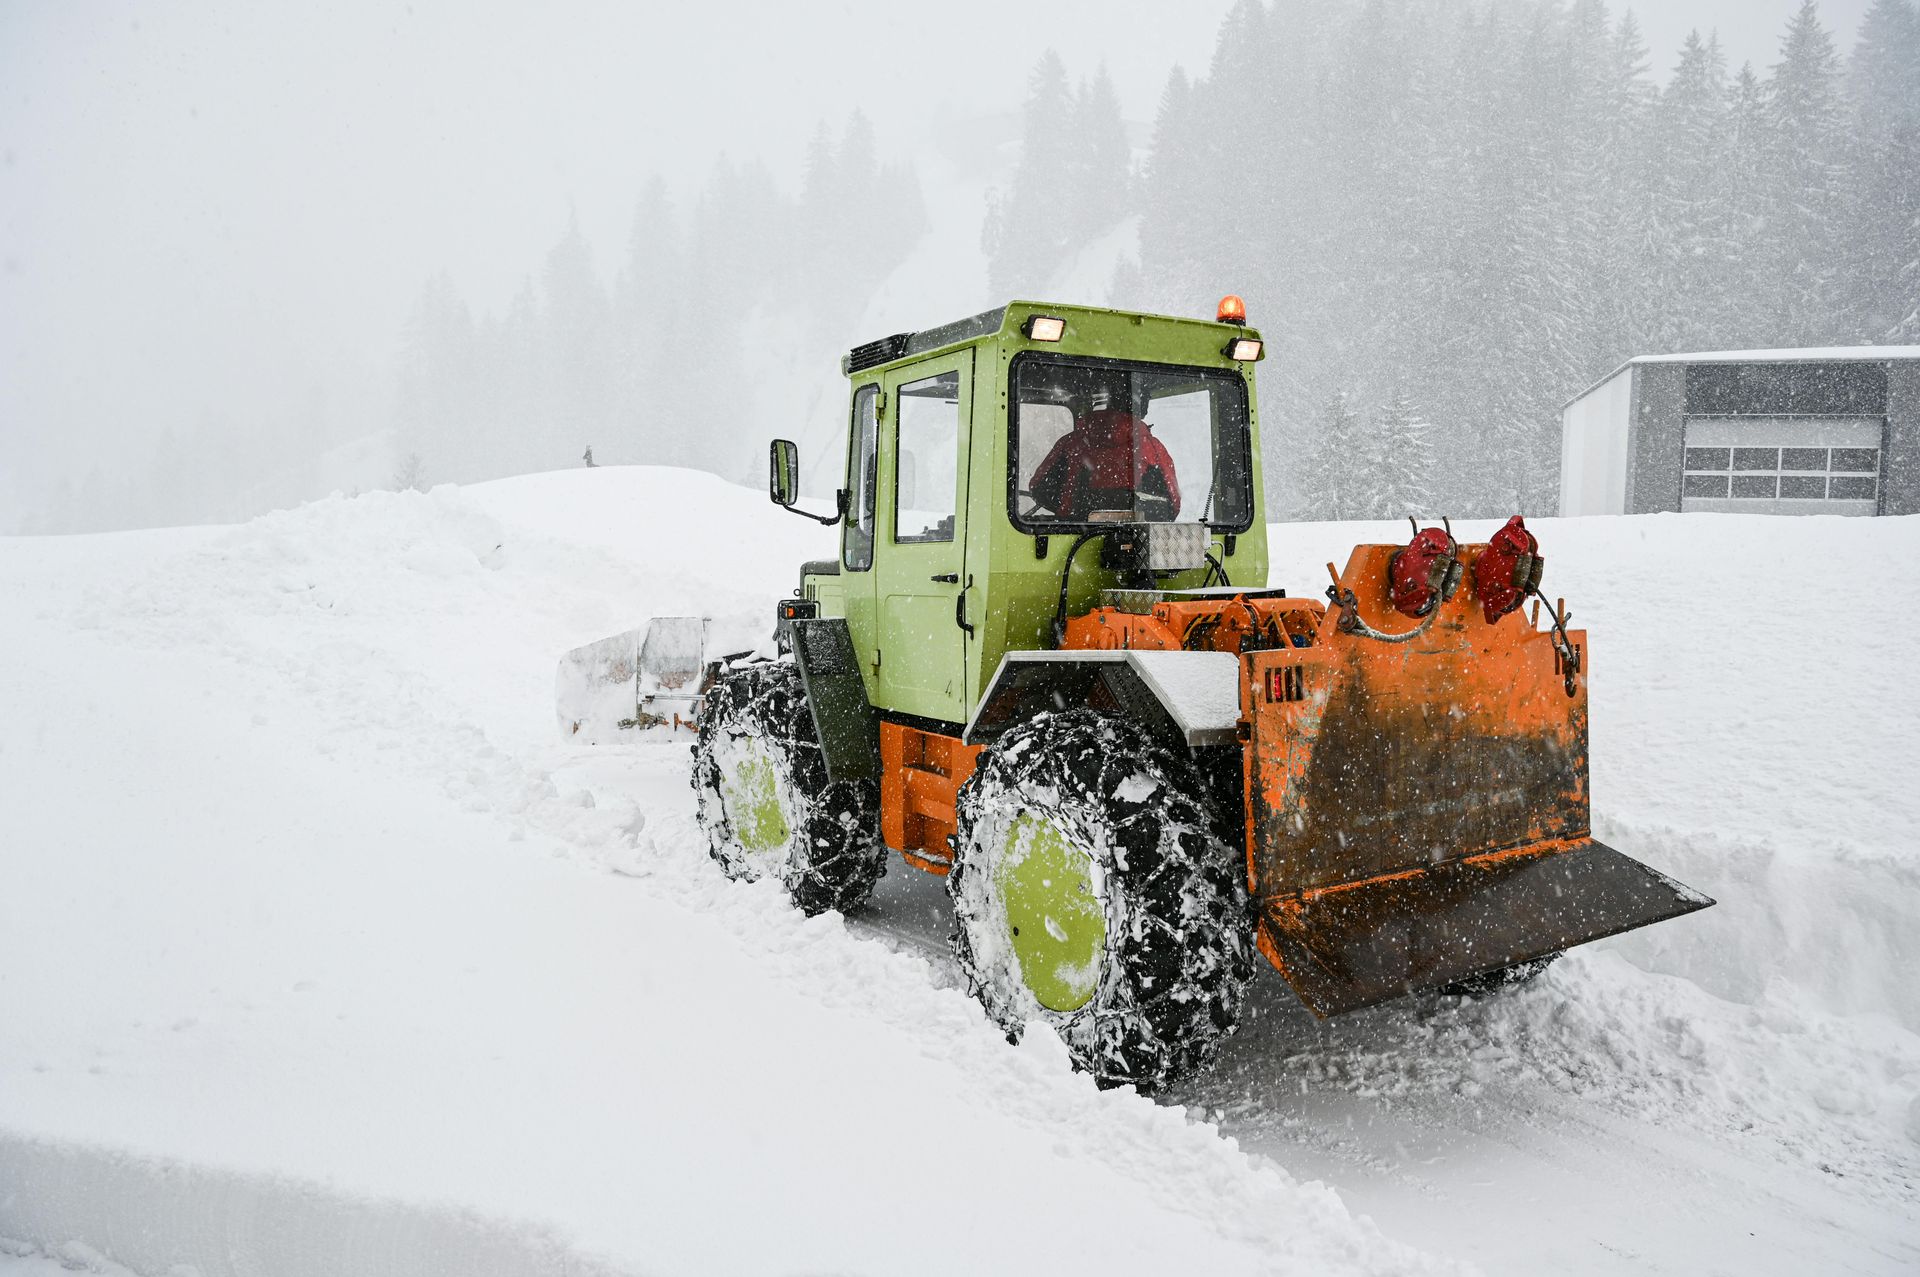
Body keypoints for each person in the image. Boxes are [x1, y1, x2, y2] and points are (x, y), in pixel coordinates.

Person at [1028, 407, 1180, 522]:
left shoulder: (1071, 443)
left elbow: (1040, 488)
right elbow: (1172, 503)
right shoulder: (1153, 449)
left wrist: (1080, 513)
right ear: (1141, 406)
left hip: (1070, 536)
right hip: (1139, 540)